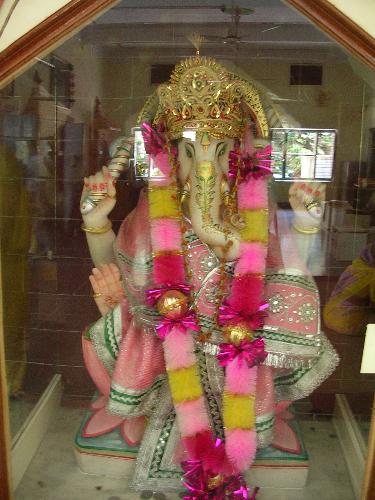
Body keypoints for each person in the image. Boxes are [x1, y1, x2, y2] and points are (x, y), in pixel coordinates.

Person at [80, 55, 338, 495]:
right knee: (95, 340)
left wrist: (307, 225)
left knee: (308, 349)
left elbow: (286, 276)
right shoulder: (153, 210)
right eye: (189, 151)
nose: (206, 169)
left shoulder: (255, 212)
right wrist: (96, 222)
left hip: (239, 341)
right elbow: (121, 273)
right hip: (165, 340)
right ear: (172, 156)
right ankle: (136, 414)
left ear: (238, 155)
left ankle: (260, 421)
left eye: (220, 151)